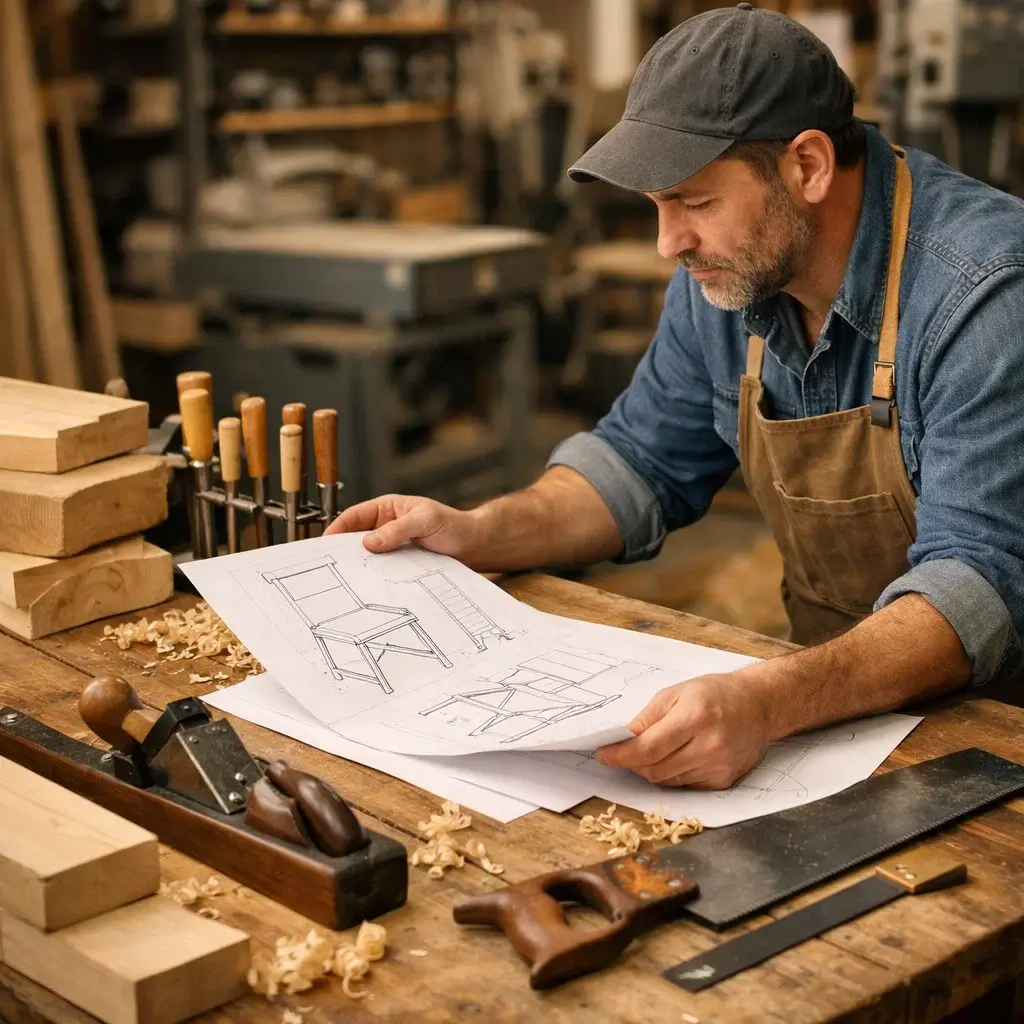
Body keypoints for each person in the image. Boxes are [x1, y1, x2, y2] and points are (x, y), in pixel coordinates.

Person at [327, 4, 1024, 790]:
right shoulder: (729, 276)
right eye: (657, 206)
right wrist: (480, 531)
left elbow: (978, 587)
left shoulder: (984, 295)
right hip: (830, 718)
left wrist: (765, 702)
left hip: (993, 731)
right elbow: (638, 463)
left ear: (808, 167)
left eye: (694, 203)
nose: (669, 243)